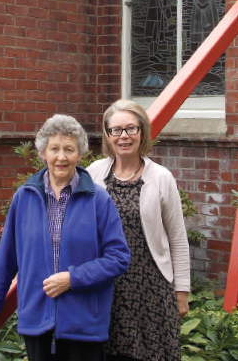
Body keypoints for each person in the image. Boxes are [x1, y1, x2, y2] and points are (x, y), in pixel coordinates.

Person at [0, 114, 131, 361]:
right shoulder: (24, 198)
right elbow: (6, 260)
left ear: (79, 154)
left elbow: (118, 258)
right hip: (37, 324)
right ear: (43, 154)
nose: (61, 157)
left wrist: (73, 278)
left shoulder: (99, 200)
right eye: (54, 149)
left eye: (69, 149)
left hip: (84, 325)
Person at [87, 99, 190, 361]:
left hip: (152, 289)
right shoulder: (93, 175)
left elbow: (177, 238)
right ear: (107, 135)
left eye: (131, 129)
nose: (124, 136)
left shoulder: (161, 177)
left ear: (142, 132)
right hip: (107, 287)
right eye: (116, 130)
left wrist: (181, 293)